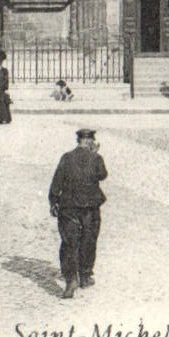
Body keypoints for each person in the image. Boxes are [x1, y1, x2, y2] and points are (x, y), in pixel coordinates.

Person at [49, 128, 107, 299]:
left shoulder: (66, 157)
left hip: (68, 206)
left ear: (78, 140)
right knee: (89, 239)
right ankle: (85, 275)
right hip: (90, 206)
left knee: (69, 242)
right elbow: (102, 175)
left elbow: (57, 181)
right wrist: (95, 155)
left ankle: (70, 280)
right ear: (90, 141)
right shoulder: (96, 158)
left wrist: (53, 202)